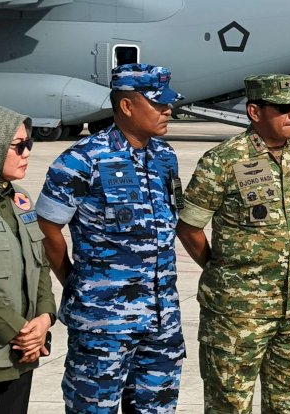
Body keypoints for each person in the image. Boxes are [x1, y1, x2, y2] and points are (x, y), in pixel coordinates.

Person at [36, 63, 186, 413]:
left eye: (168, 103)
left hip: (162, 321)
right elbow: (46, 227)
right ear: (127, 106)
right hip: (103, 323)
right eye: (158, 104)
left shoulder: (165, 157)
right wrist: (75, 280)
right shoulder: (81, 159)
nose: (168, 111)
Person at [176, 74, 290, 413]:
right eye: (282, 108)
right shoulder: (223, 160)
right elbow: (190, 227)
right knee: (230, 405)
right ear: (255, 111)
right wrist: (220, 270)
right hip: (236, 314)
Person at [0, 103, 55, 414]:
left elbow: (41, 266)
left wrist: (45, 318)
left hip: (21, 359)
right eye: (18, 146)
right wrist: (19, 331)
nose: (27, 153)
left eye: (30, 143)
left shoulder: (19, 200)